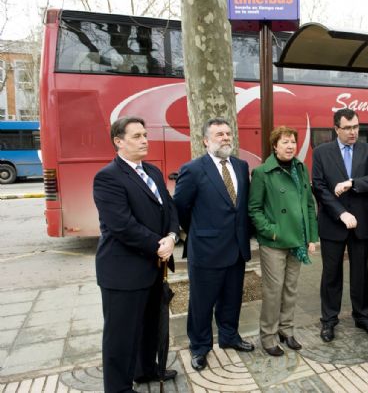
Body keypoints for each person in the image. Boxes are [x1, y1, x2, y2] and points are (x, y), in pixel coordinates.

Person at [93, 116, 179, 393]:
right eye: (137, 136)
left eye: (145, 134)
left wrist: (172, 236)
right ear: (119, 142)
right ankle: (118, 388)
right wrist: (158, 244)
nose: (145, 140)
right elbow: (121, 225)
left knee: (150, 326)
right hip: (123, 271)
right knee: (121, 335)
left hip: (154, 266)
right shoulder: (108, 177)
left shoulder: (152, 171)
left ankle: (146, 370)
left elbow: (170, 208)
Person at [173, 118, 254, 372]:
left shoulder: (241, 166)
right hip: (206, 250)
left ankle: (230, 336)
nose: (226, 137)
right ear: (206, 140)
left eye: (228, 133)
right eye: (219, 134)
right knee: (202, 303)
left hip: (236, 248)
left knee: (232, 298)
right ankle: (200, 347)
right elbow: (181, 208)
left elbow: (240, 207)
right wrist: (199, 233)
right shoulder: (193, 169)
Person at [312, 108, 368, 342]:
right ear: (336, 129)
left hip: (362, 222)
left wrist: (352, 182)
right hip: (333, 223)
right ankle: (329, 320)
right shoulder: (322, 152)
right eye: (348, 128)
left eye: (356, 127)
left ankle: (362, 316)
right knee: (331, 274)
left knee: (360, 273)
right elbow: (319, 187)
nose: (353, 132)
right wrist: (341, 213)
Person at [248, 126, 318, 356]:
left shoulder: (300, 168)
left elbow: (309, 204)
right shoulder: (262, 173)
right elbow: (254, 210)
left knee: (291, 289)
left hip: (297, 241)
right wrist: (272, 232)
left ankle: (286, 330)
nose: (290, 146)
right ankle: (268, 336)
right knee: (273, 290)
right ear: (275, 146)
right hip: (274, 243)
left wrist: (312, 237)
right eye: (285, 142)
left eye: (292, 142)